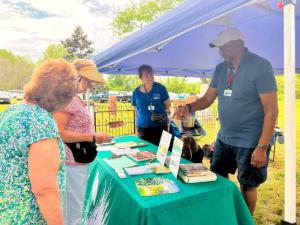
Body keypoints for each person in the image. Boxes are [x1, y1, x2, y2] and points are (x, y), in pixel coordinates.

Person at [175, 28, 278, 214]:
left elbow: (271, 110)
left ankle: (245, 219)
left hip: (251, 140)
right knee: (218, 176)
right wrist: (189, 107)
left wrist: (262, 147)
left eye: (224, 46)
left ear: (239, 44)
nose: (220, 51)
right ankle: (228, 211)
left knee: (247, 185)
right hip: (225, 137)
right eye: (219, 47)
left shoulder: (260, 66)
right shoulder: (221, 68)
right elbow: (207, 99)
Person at [0, 59, 78, 225]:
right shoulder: (40, 121)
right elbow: (45, 189)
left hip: (8, 209)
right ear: (63, 96)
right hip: (28, 216)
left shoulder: (14, 110)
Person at [53, 59, 112, 225]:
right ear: (77, 77)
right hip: (72, 163)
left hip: (78, 162)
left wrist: (93, 137)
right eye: (88, 79)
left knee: (75, 207)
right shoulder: (68, 99)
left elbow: (76, 128)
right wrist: (92, 138)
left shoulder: (75, 98)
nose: (91, 84)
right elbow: (59, 132)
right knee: (72, 210)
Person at [132, 65, 171, 146]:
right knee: (143, 151)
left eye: (151, 74)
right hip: (142, 128)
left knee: (161, 151)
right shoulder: (136, 92)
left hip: (160, 127)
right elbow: (136, 110)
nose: (150, 76)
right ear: (141, 78)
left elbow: (167, 105)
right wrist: (137, 128)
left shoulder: (161, 88)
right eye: (146, 75)